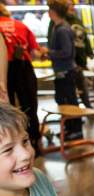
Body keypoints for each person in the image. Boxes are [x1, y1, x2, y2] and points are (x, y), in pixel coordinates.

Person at [0, 4, 43, 154]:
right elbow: (35, 51)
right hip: (23, 67)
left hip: (5, 70)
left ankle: (9, 147)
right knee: (30, 106)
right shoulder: (20, 25)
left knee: (6, 111)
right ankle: (34, 143)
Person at [47, 0, 94, 108]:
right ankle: (76, 118)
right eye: (69, 5)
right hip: (69, 65)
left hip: (69, 66)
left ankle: (76, 120)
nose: (71, 7)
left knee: (70, 97)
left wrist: (49, 53)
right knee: (69, 96)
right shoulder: (58, 25)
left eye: (72, 4)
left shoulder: (64, 27)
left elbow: (70, 49)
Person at [48, 0, 82, 140]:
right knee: (65, 101)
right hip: (65, 70)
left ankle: (75, 130)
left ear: (54, 12)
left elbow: (67, 52)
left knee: (69, 101)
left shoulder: (61, 29)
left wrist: (49, 53)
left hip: (65, 71)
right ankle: (70, 129)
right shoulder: (61, 27)